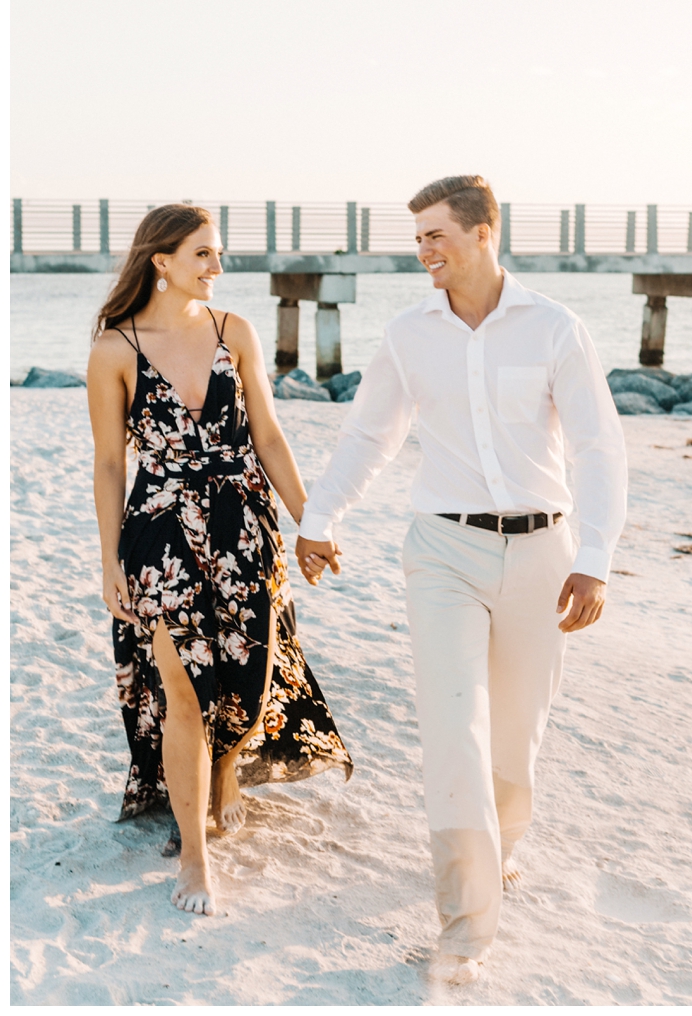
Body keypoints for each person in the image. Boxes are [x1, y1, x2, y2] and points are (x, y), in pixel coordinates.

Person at [295, 175, 627, 984]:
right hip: (441, 550)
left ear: (485, 232)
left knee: (515, 736)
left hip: (544, 555)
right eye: (418, 239)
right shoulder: (409, 335)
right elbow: (370, 435)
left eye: (437, 235)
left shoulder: (555, 328)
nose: (424, 252)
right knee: (454, 730)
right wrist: (319, 518)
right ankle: (466, 928)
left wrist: (595, 559)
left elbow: (597, 447)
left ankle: (500, 847)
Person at [87, 204, 352, 918]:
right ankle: (195, 854)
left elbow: (268, 434)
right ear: (161, 261)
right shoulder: (115, 349)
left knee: (245, 669)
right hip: (160, 532)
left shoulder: (235, 332)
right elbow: (110, 465)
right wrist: (110, 559)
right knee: (182, 687)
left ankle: (227, 773)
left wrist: (311, 522)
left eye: (219, 253)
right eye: (203, 253)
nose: (217, 266)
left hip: (244, 524)